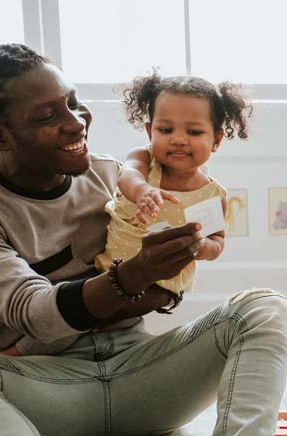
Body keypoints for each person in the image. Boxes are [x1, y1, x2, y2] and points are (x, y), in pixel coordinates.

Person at [0, 44, 287, 436]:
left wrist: (170, 272)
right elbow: (35, 315)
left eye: (73, 101)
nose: (76, 122)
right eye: (48, 116)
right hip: (46, 389)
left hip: (140, 375)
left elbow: (167, 285)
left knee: (264, 306)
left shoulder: (114, 175)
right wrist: (132, 277)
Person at [95, 72, 249, 301]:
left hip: (163, 287)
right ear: (150, 132)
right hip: (112, 271)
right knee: (106, 311)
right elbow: (127, 175)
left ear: (215, 140)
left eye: (194, 132)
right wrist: (142, 190)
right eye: (166, 130)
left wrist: (203, 246)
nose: (178, 139)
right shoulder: (144, 161)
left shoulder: (212, 195)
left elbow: (218, 240)